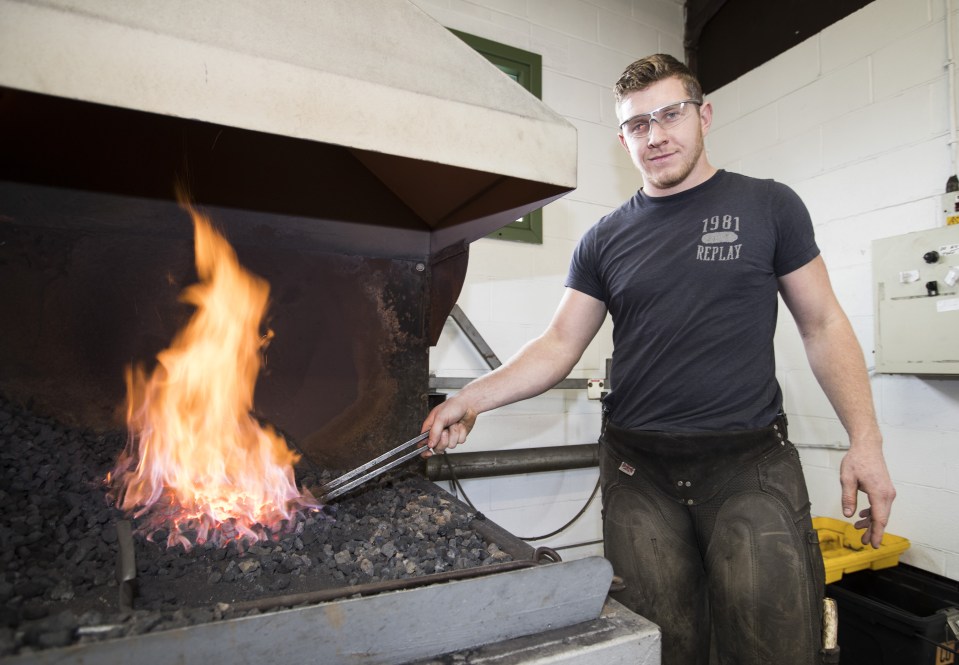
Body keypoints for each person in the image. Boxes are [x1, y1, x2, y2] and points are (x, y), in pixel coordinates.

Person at [421, 53, 896, 664]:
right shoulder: (604, 238)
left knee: (775, 646)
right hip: (638, 473)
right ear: (623, 139)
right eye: (637, 125)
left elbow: (824, 323)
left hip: (747, 464)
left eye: (670, 114)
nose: (656, 135)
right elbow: (558, 344)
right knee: (661, 646)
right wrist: (469, 398)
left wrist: (867, 439)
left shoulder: (769, 206)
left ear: (704, 115)